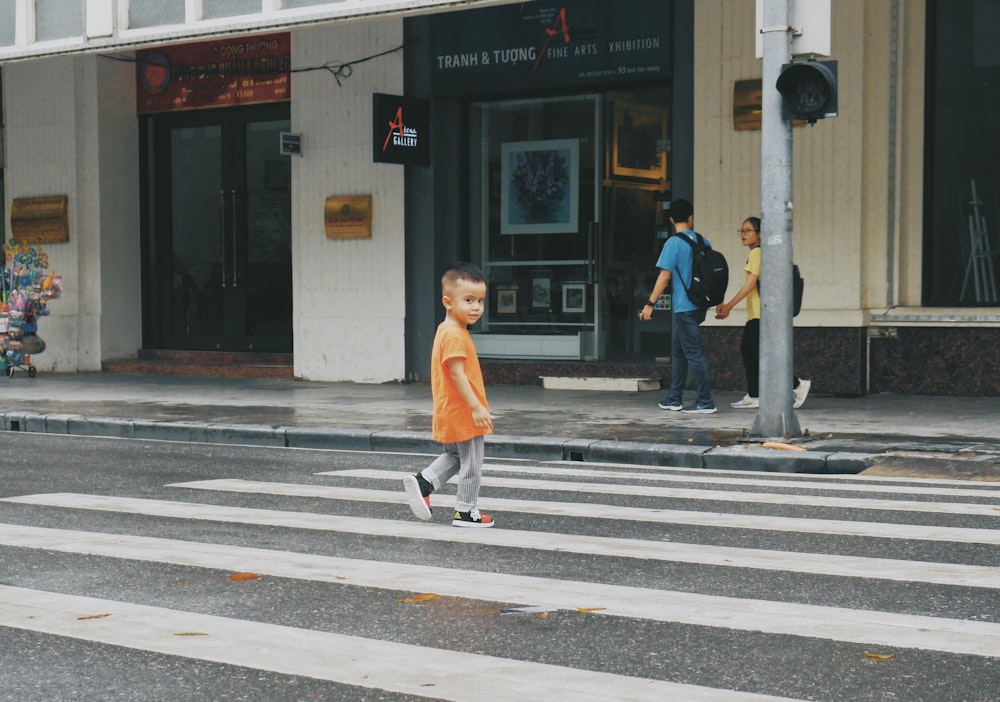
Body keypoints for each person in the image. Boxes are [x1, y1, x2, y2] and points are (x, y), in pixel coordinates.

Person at [403, 262, 495, 527]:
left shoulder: (446, 330)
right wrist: (476, 407)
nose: (476, 307)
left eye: (480, 300)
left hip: (449, 410)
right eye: (468, 300)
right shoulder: (455, 335)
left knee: (456, 456)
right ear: (448, 302)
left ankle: (424, 482)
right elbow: (457, 374)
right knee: (473, 463)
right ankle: (465, 511)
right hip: (464, 411)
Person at [715, 216, 811, 409]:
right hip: (758, 314)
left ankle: (797, 385)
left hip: (761, 315)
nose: (743, 235)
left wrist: (728, 306)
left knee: (759, 355)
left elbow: (750, 284)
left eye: (748, 230)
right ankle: (755, 394)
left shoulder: (757, 253)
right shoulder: (759, 253)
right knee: (751, 353)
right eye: (741, 231)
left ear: (759, 234)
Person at [639, 198, 717, 414]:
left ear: (671, 219)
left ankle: (705, 401)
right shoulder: (704, 241)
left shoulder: (673, 243)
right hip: (700, 304)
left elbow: (664, 276)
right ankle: (674, 398)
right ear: (691, 218)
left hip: (684, 307)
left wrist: (650, 303)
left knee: (692, 353)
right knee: (679, 351)